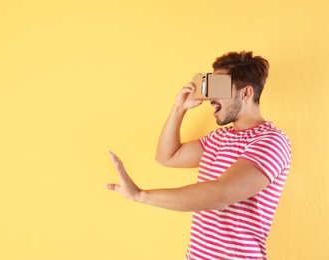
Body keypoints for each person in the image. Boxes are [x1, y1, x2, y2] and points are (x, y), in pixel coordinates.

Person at [107, 51, 291, 260]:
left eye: (219, 87)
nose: (211, 97)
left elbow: (220, 195)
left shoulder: (270, 141)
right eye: (210, 87)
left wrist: (141, 195)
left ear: (246, 93)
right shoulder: (218, 138)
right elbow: (167, 156)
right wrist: (178, 108)